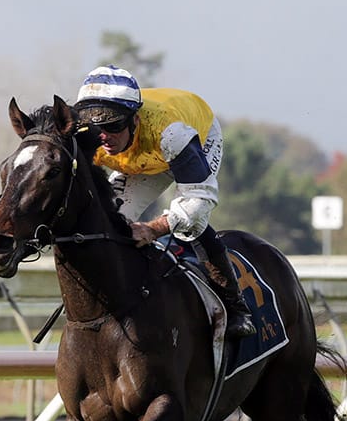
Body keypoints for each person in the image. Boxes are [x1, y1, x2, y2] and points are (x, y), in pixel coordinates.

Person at [72, 65, 255, 339]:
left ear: (135, 120)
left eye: (113, 126)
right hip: (140, 155)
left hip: (195, 139)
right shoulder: (85, 135)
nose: (104, 137)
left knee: (189, 226)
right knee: (112, 222)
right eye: (96, 127)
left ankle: (236, 306)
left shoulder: (173, 132)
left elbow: (200, 201)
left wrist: (153, 229)